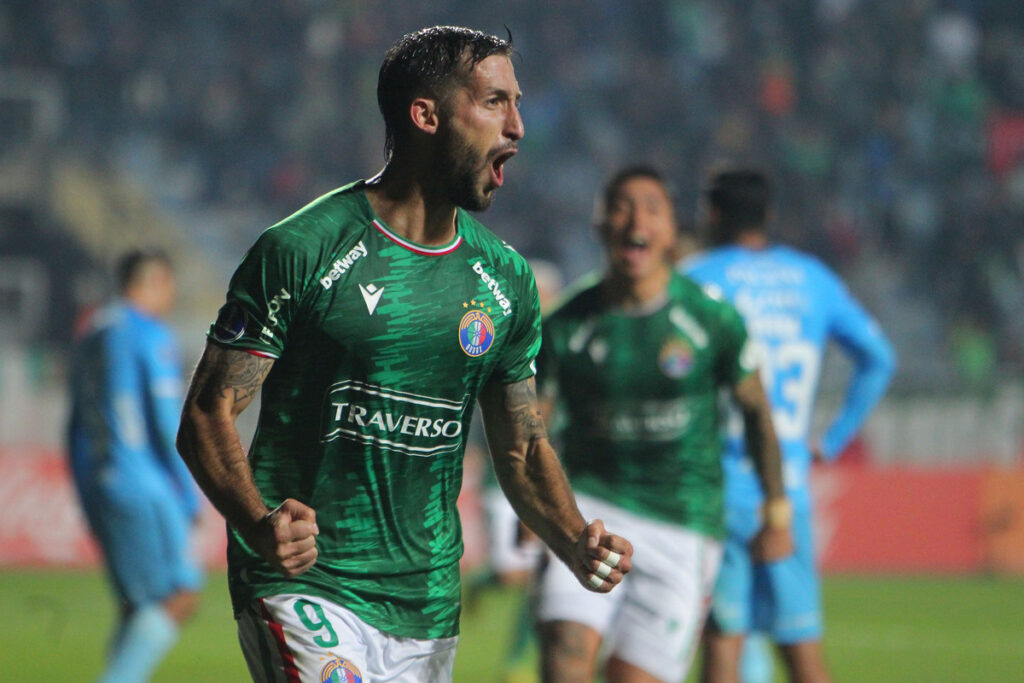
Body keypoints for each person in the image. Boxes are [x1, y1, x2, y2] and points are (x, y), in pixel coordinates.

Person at [175, 26, 632, 683]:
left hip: (426, 604)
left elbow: (523, 447)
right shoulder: (304, 249)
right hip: (308, 583)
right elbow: (208, 412)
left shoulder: (505, 280)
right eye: (496, 102)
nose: (519, 126)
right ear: (426, 114)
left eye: (518, 102)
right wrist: (257, 521)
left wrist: (573, 536)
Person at [534, 165, 793, 683]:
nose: (636, 220)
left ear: (672, 231)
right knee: (567, 645)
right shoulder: (565, 325)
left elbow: (757, 412)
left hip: (683, 520)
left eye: (652, 208)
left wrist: (777, 507)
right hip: (592, 510)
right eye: (621, 207)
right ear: (600, 225)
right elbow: (532, 427)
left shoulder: (712, 319)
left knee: (632, 676)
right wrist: (530, 505)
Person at [684, 169, 896, 683]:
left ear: (712, 215)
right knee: (802, 652)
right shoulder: (812, 279)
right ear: (768, 216)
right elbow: (879, 359)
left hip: (715, 489)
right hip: (788, 492)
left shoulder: (696, 279)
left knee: (722, 645)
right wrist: (835, 437)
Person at [67, 249, 202, 682]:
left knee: (135, 606)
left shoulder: (92, 334)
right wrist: (189, 489)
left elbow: (74, 430)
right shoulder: (149, 335)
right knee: (180, 596)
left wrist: (88, 495)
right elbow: (166, 426)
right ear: (156, 282)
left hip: (102, 481)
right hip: (145, 483)